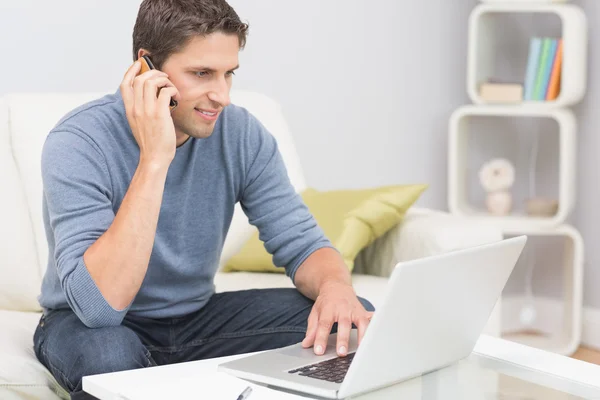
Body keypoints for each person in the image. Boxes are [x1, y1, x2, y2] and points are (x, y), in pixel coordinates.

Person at [33, 0, 374, 398]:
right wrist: (155, 158)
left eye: (228, 74)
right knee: (109, 354)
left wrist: (335, 287)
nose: (222, 95)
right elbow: (100, 307)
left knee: (350, 318)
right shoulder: (78, 142)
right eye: (202, 74)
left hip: (196, 320)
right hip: (88, 325)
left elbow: (303, 244)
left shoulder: (242, 134)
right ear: (147, 67)